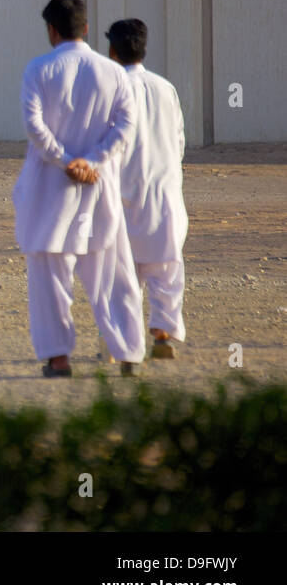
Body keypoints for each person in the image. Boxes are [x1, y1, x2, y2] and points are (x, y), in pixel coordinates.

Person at [13, 0, 146, 377]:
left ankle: (58, 358)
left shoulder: (38, 70)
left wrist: (63, 160)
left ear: (51, 30)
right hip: (98, 188)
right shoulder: (113, 72)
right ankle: (129, 353)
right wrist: (94, 161)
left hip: (49, 192)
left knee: (49, 278)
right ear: (86, 28)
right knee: (113, 276)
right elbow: (125, 125)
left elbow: (33, 125)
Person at [106, 19, 188, 359]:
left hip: (122, 191)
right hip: (165, 190)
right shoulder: (165, 88)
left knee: (120, 272)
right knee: (166, 265)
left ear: (112, 50)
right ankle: (163, 334)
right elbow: (179, 140)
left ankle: (120, 342)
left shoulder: (110, 88)